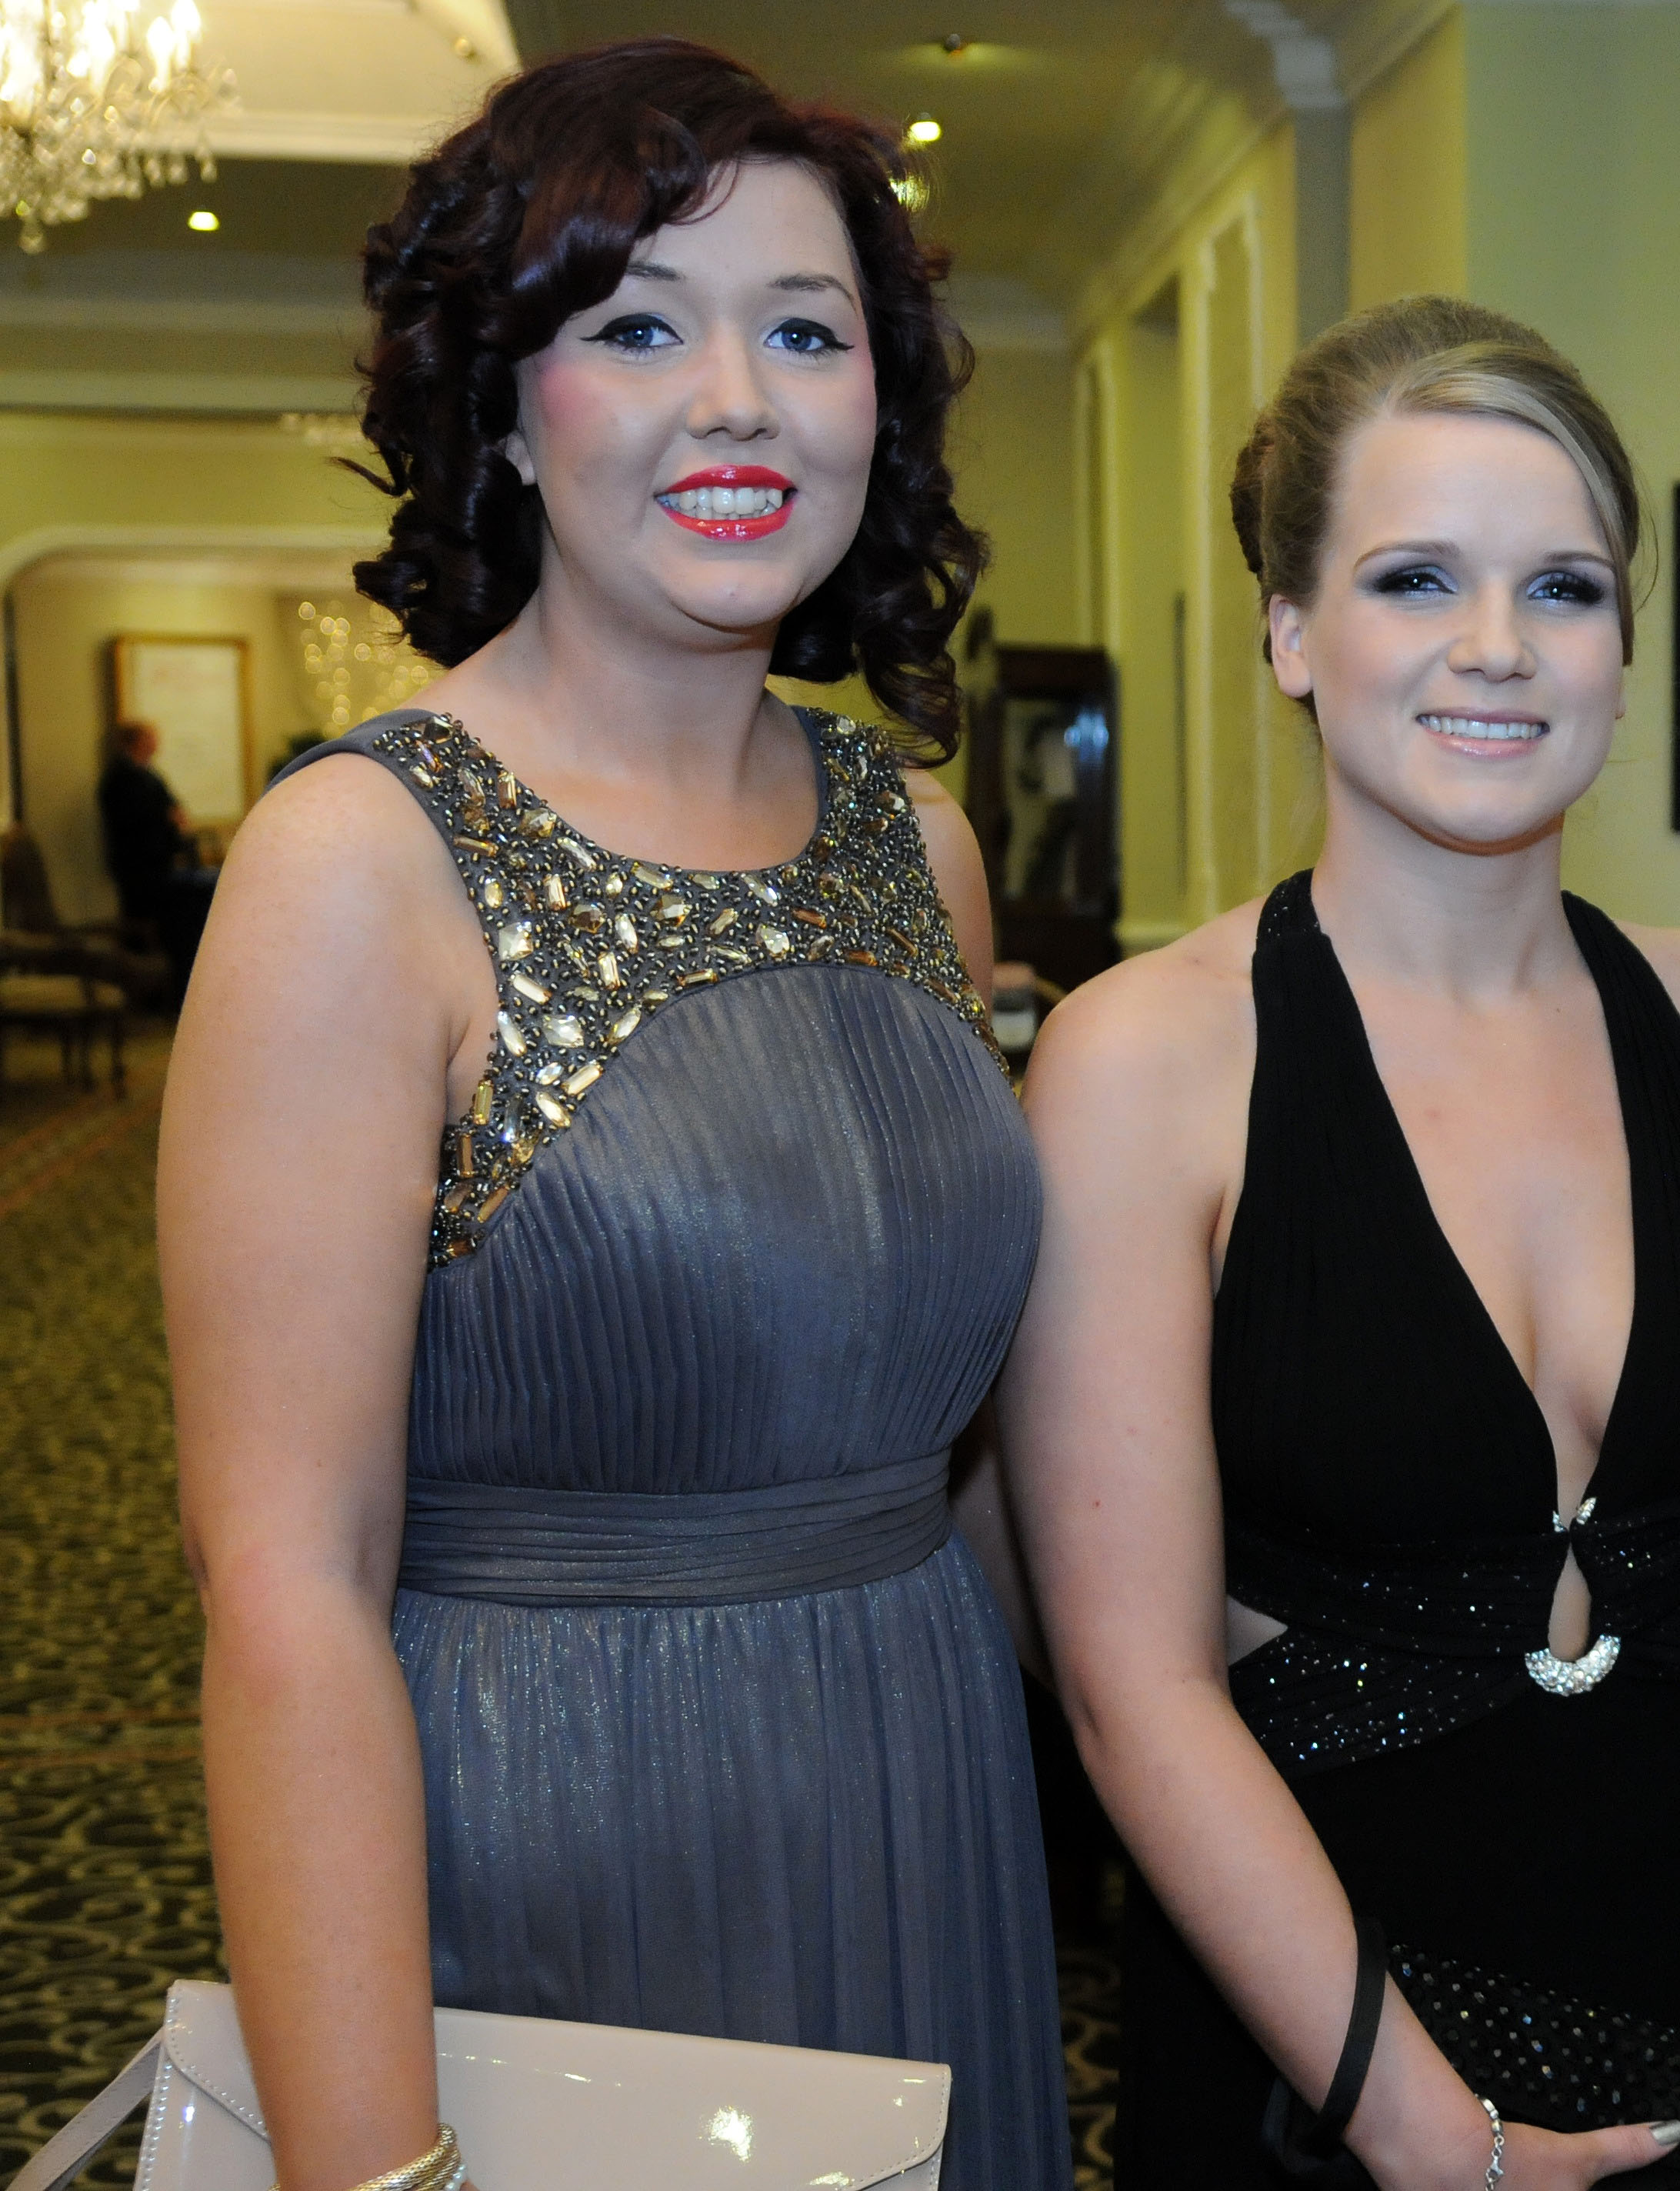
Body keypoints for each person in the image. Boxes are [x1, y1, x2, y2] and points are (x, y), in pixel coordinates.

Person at [160, 40, 1065, 2191]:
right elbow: (284, 1587)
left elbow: (965, 1447)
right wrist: (375, 2167)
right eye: (640, 329)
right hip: (554, 1861)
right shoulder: (361, 864)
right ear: (504, 404)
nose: (737, 401)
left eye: (805, 333)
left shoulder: (915, 842)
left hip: (929, 1811)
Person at [1005, 295, 1680, 2191]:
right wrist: (1430, 2134)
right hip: (1323, 2036)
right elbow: (1130, 1688)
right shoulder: (1144, 1062)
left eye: (1563, 588)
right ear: (1289, 631)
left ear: (1622, 649)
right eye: (1416, 578)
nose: (1498, 644)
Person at [95, 718, 214, 989]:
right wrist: (169, 821)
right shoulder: (120, 778)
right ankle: (168, 988)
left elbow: (172, 806)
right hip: (141, 872)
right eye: (150, 737)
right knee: (179, 912)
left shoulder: (148, 774)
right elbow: (141, 821)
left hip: (159, 866)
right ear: (136, 742)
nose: (156, 743)